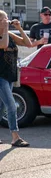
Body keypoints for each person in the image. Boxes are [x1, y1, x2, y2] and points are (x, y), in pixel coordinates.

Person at [0, 11, 34, 147]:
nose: (6, 20)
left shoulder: (9, 35)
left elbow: (28, 44)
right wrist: (5, 28)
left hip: (10, 76)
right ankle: (15, 137)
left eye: (7, 18)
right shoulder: (4, 36)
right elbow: (3, 45)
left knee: (1, 107)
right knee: (12, 106)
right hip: (0, 76)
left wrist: (19, 28)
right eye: (3, 19)